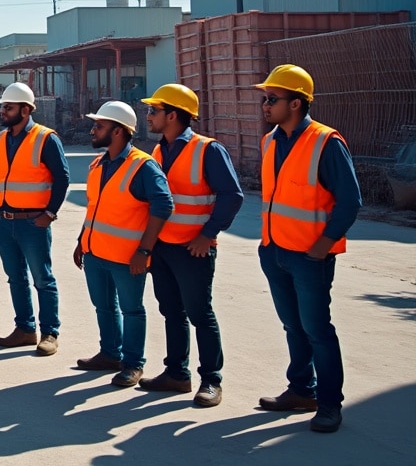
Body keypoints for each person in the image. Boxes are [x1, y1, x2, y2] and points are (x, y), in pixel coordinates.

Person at [254, 64, 360, 434]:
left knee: (317, 330)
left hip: (309, 257)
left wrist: (323, 245)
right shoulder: (270, 141)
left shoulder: (326, 142)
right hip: (275, 250)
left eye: (272, 99)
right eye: (264, 99)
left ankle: (329, 404)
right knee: (293, 327)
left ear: (296, 103)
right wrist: (267, 246)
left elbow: (350, 201)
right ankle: (301, 390)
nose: (265, 105)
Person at [138, 84, 243, 407]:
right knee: (171, 311)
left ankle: (211, 380)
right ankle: (177, 374)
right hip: (164, 247)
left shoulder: (207, 150)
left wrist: (207, 233)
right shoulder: (158, 151)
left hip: (192, 248)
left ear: (172, 115)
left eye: (154, 111)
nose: (148, 116)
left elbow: (232, 196)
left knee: (200, 313)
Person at [72, 100, 173, 388]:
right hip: (96, 251)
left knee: (131, 310)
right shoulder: (98, 164)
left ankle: (132, 364)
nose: (93, 130)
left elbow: (163, 205)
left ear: (118, 132)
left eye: (99, 126)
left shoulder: (143, 166)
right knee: (103, 307)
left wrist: (144, 250)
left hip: (127, 257)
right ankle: (109, 354)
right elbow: (94, 207)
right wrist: (82, 240)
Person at [0, 82, 70, 357]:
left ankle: (49, 332)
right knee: (15, 278)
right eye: (3, 107)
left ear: (25, 110)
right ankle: (24, 328)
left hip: (33, 222)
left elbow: (62, 177)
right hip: (4, 219)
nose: (4, 111)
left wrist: (50, 213)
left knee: (42, 279)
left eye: (9, 107)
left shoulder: (46, 138)